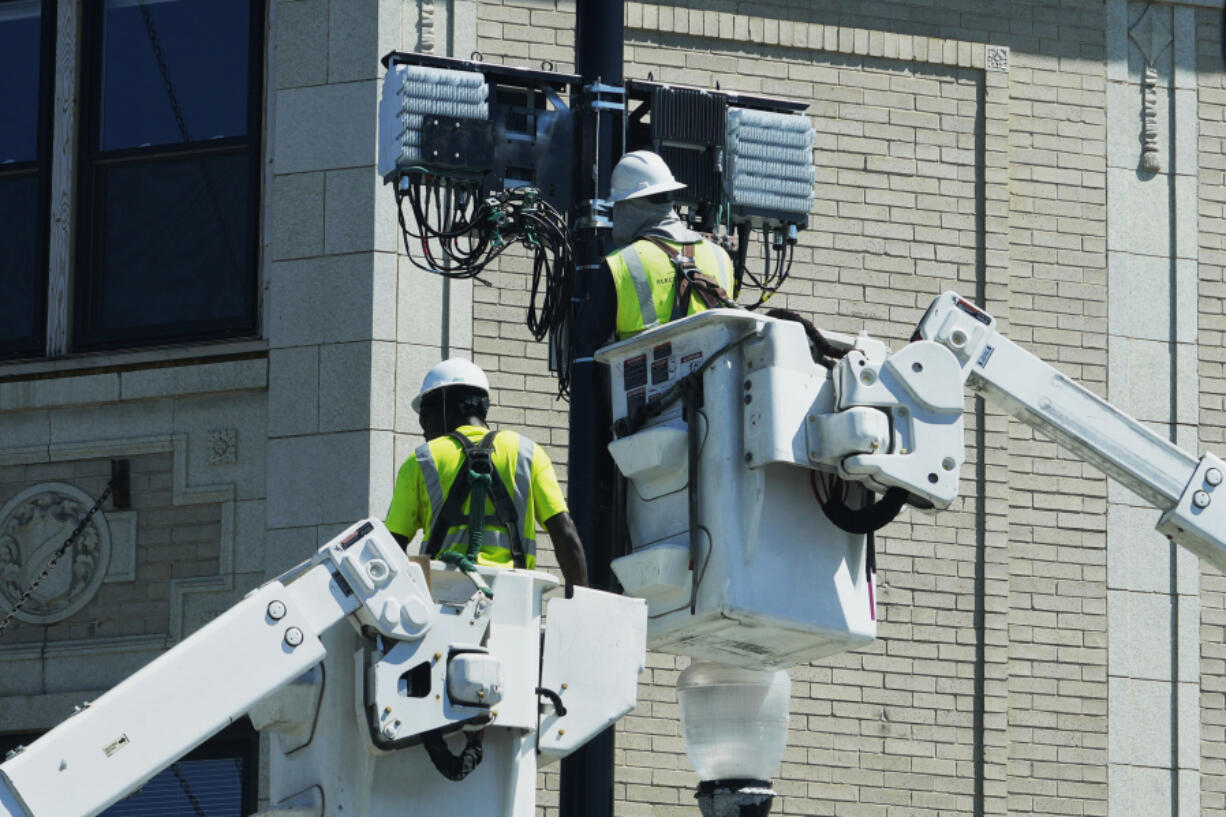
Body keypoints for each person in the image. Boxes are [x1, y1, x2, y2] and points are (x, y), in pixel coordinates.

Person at [385, 358, 589, 591]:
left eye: (424, 416)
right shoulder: (529, 453)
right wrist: (580, 607)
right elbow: (565, 532)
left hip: (442, 600)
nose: (423, 428)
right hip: (515, 599)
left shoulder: (422, 460)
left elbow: (390, 547)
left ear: (444, 405)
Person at [589, 150, 737, 343]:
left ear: (631, 205)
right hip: (712, 372)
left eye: (618, 205)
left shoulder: (620, 264)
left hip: (639, 372)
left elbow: (588, 347)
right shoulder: (720, 257)